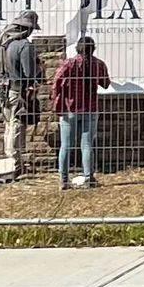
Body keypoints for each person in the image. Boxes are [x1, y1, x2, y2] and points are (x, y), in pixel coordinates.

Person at [51, 35, 111, 189]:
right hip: (90, 109)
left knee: (66, 145)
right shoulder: (98, 64)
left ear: (77, 48)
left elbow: (56, 80)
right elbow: (105, 84)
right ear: (93, 49)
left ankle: (63, 181)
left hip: (70, 108)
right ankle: (88, 178)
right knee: (87, 145)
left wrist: (58, 96)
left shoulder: (69, 64)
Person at [0, 9, 42, 173]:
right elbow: (29, 74)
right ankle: (14, 165)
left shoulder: (3, 44)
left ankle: (12, 161)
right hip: (17, 91)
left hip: (2, 90)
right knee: (16, 126)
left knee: (9, 126)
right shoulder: (25, 46)